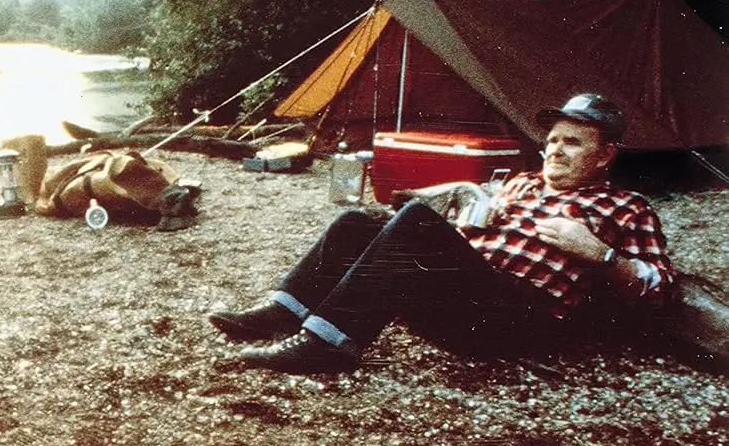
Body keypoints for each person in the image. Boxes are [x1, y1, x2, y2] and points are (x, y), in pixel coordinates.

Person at [207, 92, 676, 374]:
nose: (554, 150)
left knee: (415, 221)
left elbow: (660, 291)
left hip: (518, 318)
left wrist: (601, 255)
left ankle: (327, 346)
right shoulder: (521, 183)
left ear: (605, 154)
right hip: (463, 300)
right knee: (356, 223)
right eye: (552, 140)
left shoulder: (627, 207)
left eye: (572, 142)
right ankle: (282, 312)